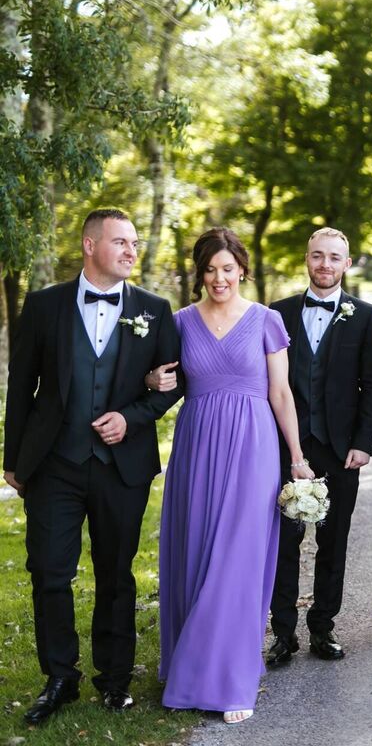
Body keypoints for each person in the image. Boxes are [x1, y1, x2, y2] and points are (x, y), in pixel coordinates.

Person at [3, 208, 182, 724]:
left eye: (135, 243)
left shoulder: (154, 308)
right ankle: (60, 677)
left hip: (120, 466)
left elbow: (174, 382)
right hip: (54, 464)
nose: (131, 251)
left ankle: (114, 678)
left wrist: (130, 417)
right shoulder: (43, 306)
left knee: (116, 574)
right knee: (49, 573)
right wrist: (13, 459)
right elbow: (21, 387)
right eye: (120, 241)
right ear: (88, 245)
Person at [157, 227, 314, 724]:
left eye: (227, 268)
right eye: (209, 269)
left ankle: (228, 678)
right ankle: (192, 661)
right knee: (198, 551)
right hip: (197, 444)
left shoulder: (267, 320)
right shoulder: (180, 322)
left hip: (253, 447)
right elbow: (164, 382)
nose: (219, 278)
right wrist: (150, 380)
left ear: (242, 269)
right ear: (200, 274)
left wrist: (297, 456)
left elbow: (281, 394)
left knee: (237, 559)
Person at [266, 228, 372, 665]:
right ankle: (282, 634)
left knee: (333, 540)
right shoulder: (277, 314)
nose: (325, 265)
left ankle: (323, 627)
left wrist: (363, 443)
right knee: (284, 541)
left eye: (335, 257)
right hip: (286, 445)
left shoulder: (365, 315)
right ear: (306, 259)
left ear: (347, 264)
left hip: (340, 450)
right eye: (318, 256)